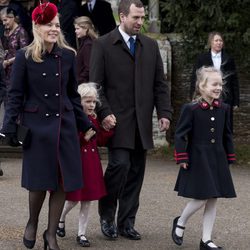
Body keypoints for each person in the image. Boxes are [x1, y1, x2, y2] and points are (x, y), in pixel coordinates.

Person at [0, 2, 93, 250]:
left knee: (63, 183)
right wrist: (8, 127)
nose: (53, 29)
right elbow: (15, 94)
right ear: (37, 27)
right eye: (48, 25)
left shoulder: (67, 56)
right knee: (40, 182)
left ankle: (50, 234)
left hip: (65, 126)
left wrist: (86, 125)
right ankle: (32, 222)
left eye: (56, 25)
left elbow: (73, 95)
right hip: (37, 128)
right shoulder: (25, 56)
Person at [89, 0, 172, 240]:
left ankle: (126, 222)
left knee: (136, 173)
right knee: (120, 166)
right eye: (135, 18)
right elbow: (96, 85)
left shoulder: (150, 45)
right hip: (116, 121)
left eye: (142, 17)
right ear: (121, 17)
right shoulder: (103, 45)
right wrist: (104, 113)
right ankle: (107, 216)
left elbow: (160, 84)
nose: (140, 22)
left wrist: (164, 113)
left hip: (142, 122)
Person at [172, 66, 236, 250]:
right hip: (198, 158)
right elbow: (180, 134)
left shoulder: (224, 108)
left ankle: (206, 240)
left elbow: (227, 135)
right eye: (214, 84)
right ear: (202, 86)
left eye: (220, 84)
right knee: (201, 198)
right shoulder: (191, 109)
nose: (218, 88)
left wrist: (230, 157)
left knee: (213, 198)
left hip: (217, 157)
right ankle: (181, 222)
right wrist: (182, 156)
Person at [57, 82, 113, 247]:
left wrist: (107, 130)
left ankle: (81, 233)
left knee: (88, 201)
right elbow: (69, 143)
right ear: (78, 101)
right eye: (88, 101)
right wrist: (84, 138)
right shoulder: (71, 119)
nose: (92, 105)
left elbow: (99, 140)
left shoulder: (93, 119)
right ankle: (60, 217)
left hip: (91, 165)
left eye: (94, 102)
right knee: (73, 199)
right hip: (77, 164)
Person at [190, 31, 240, 130]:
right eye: (216, 40)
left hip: (226, 96)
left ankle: (225, 144)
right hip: (207, 95)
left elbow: (234, 81)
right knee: (207, 122)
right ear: (211, 43)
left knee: (226, 124)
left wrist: (236, 101)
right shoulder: (202, 58)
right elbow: (195, 78)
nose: (219, 43)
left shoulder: (229, 59)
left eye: (221, 41)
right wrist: (193, 95)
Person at [0, 7, 29, 104]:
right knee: (7, 101)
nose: (4, 23)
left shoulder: (21, 32)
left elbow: (25, 53)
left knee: (15, 100)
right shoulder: (7, 31)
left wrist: (8, 61)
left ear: (12, 17)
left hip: (16, 70)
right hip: (6, 72)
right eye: (2, 21)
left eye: (5, 20)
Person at [74, 16, 98, 84]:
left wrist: (79, 80)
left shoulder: (88, 45)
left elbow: (88, 68)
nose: (75, 31)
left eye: (77, 29)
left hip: (85, 85)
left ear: (86, 29)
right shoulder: (85, 42)